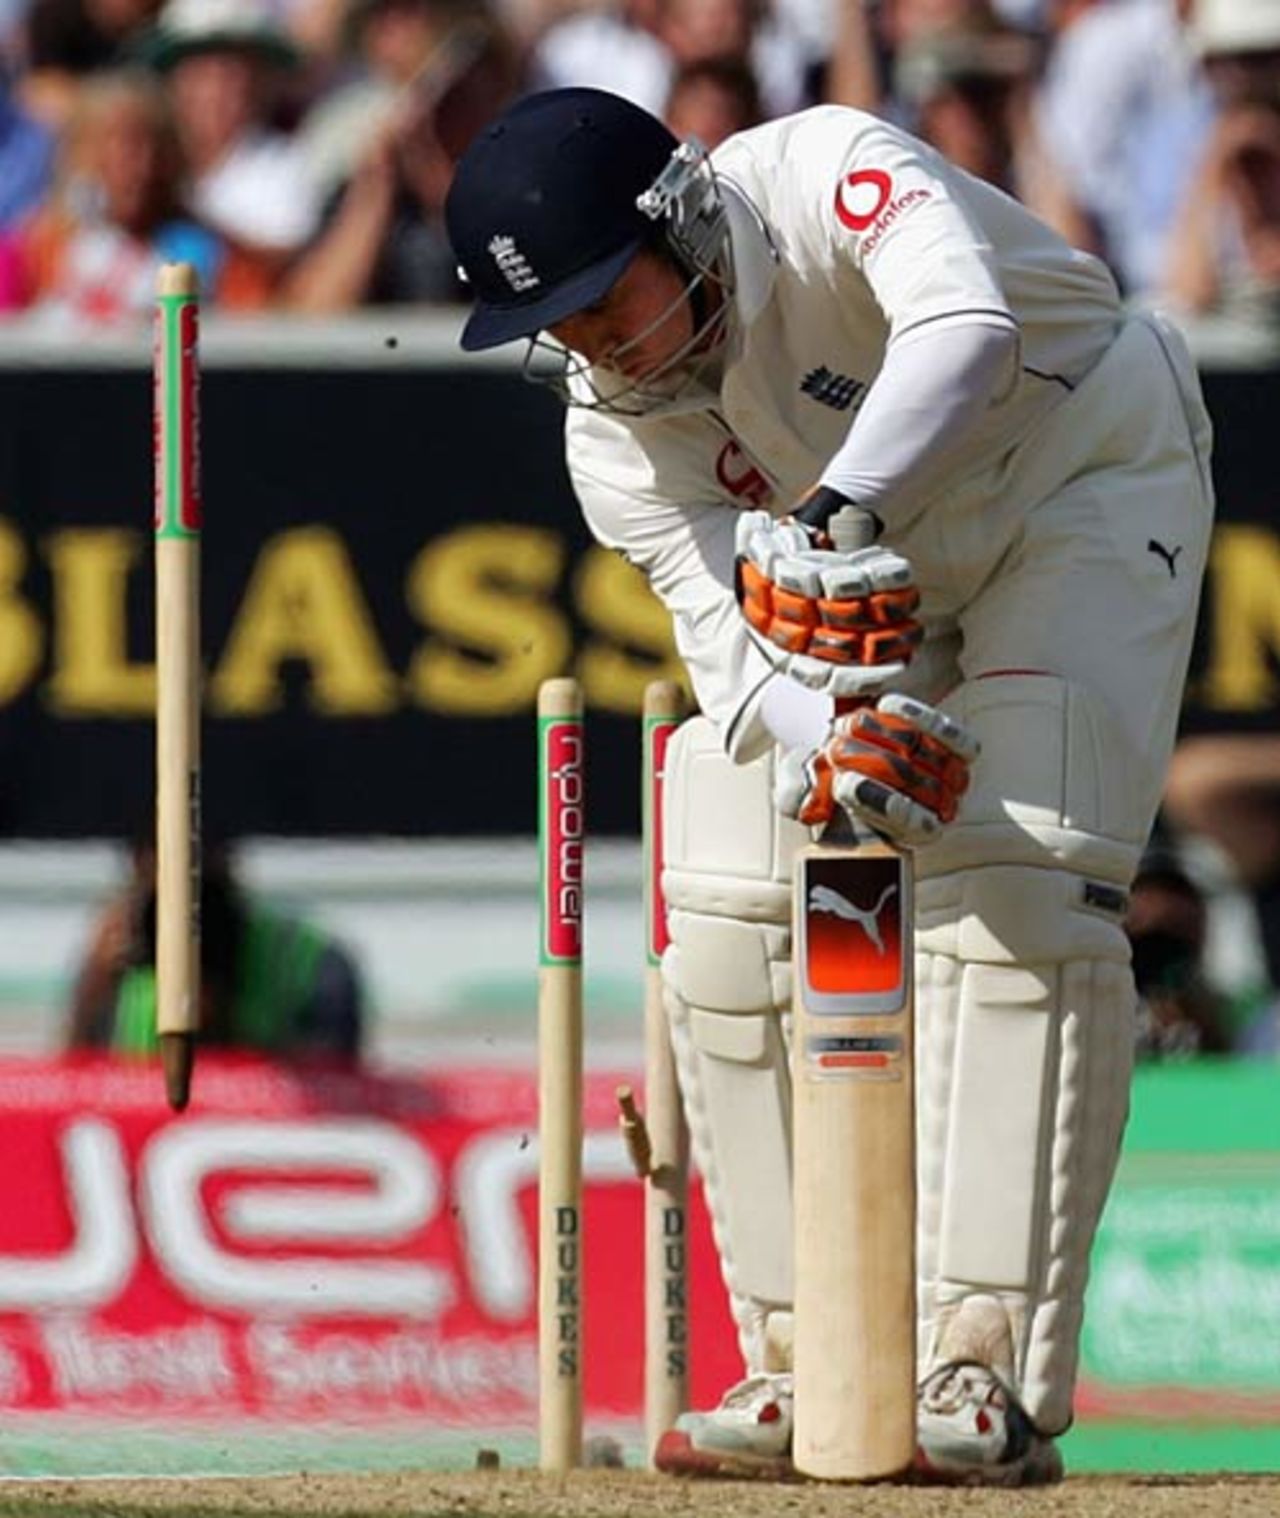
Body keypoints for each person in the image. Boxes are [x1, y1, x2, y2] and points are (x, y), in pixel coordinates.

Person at [444, 86, 1215, 1484]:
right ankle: (811, 1353)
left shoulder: (823, 172)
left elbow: (966, 334)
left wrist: (824, 518)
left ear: (679, 221)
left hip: (1079, 470)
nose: (598, 353)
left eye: (609, 304)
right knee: (733, 855)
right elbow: (736, 670)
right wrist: (829, 734)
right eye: (563, 330)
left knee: (1016, 863)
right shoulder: (615, 433)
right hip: (867, 562)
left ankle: (981, 1356)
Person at [67, 838, 365, 1064]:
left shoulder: (308, 964)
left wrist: (222, 1014)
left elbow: (334, 1090)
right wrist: (90, 996)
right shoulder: (116, 967)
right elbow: (75, 1097)